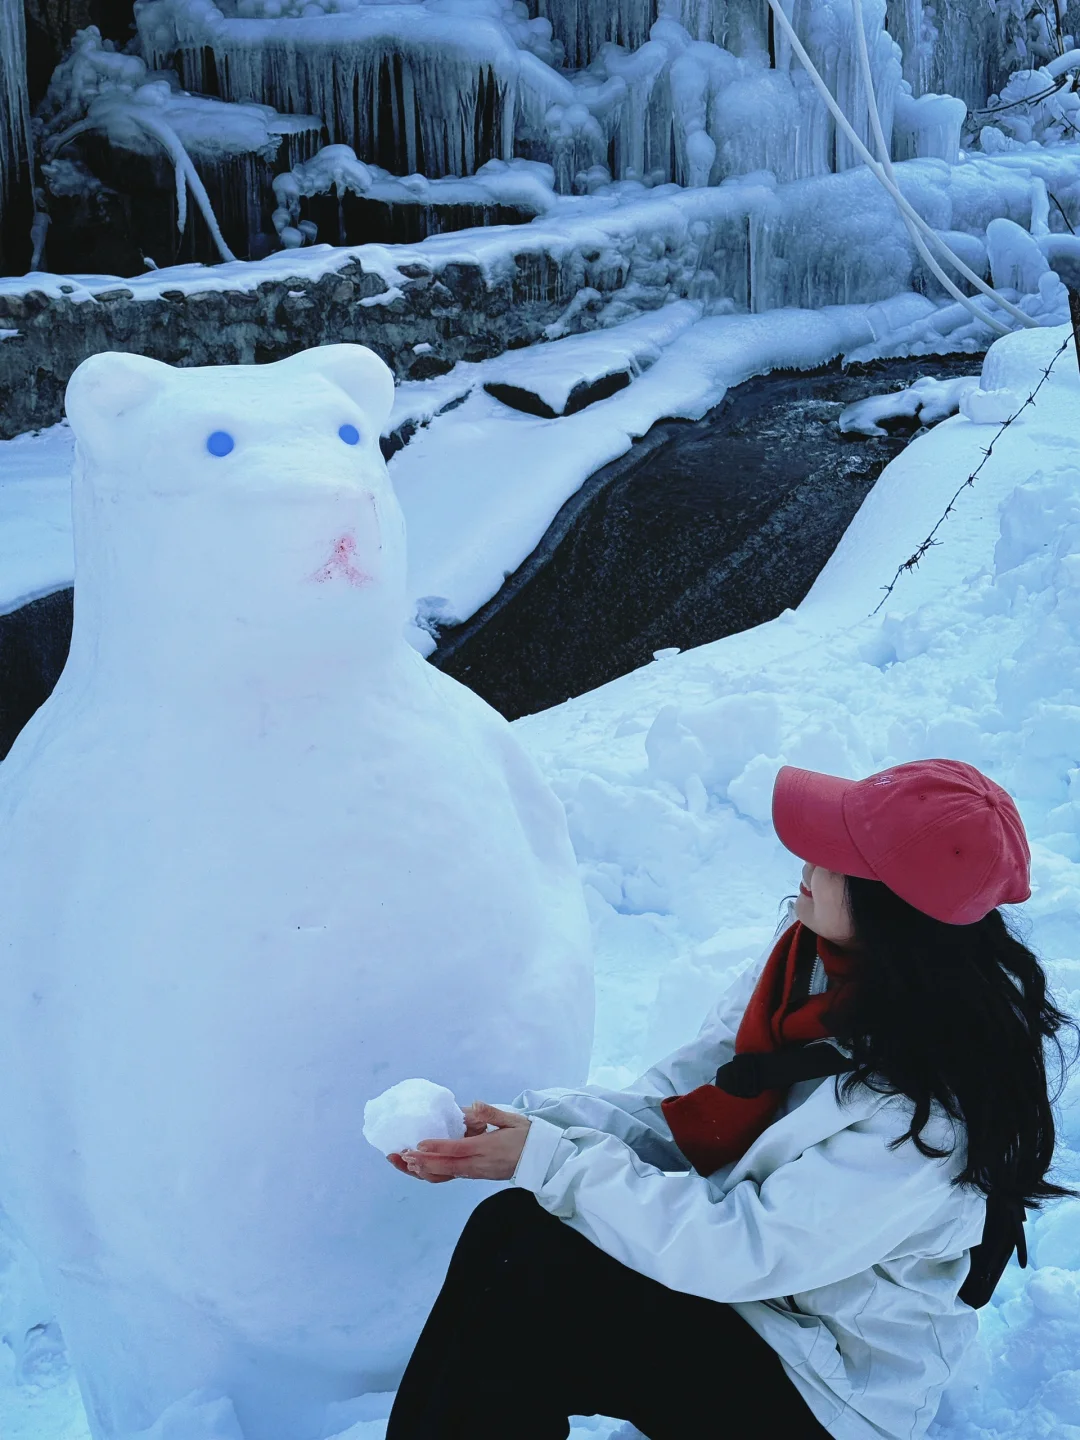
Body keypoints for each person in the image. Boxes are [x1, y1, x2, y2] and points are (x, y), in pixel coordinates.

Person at [384, 759, 1077, 1440]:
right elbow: (689, 1103)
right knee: (514, 1235)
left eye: (834, 857)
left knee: (532, 1273)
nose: (806, 863)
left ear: (891, 906)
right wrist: (534, 1128)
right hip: (757, 1303)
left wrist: (552, 1161)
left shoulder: (927, 1111)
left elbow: (746, 1247)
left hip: (827, 1386)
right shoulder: (808, 968)